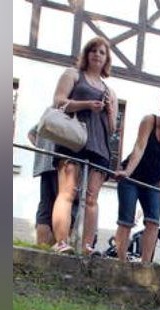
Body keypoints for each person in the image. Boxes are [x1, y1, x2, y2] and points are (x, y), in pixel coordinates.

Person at [50, 37, 117, 255]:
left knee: (91, 198)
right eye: (94, 51)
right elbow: (59, 102)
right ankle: (61, 241)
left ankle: (87, 245)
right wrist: (86, 104)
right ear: (87, 54)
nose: (97, 55)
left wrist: (108, 110)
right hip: (73, 139)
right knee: (67, 192)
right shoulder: (73, 75)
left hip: (99, 144)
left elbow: (113, 127)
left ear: (106, 59)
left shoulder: (109, 90)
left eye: (102, 52)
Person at [114, 89, 160, 264]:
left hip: (153, 182)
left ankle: (145, 264)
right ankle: (120, 261)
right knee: (126, 220)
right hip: (132, 178)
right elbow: (139, 147)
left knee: (154, 221)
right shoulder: (149, 120)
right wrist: (127, 173)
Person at [24, 129, 58, 246]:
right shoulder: (69, 113)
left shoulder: (49, 113)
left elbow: (31, 134)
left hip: (45, 166)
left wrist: (43, 151)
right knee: (66, 208)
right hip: (61, 164)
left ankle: (41, 249)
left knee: (45, 206)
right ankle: (51, 247)